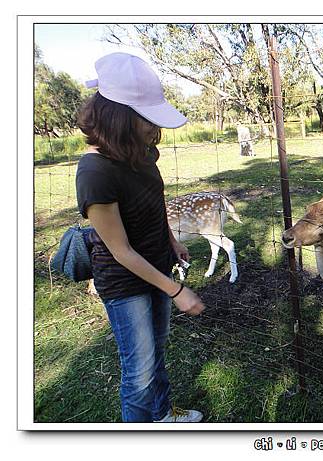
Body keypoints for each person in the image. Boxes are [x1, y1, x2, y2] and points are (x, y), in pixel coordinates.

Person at [75, 52, 205, 423]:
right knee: (139, 373)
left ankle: (163, 416)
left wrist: (170, 241)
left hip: (157, 269)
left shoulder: (141, 153)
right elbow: (121, 251)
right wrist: (176, 290)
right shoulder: (95, 172)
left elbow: (153, 203)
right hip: (125, 282)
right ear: (120, 118)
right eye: (148, 119)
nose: (155, 129)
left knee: (156, 354)